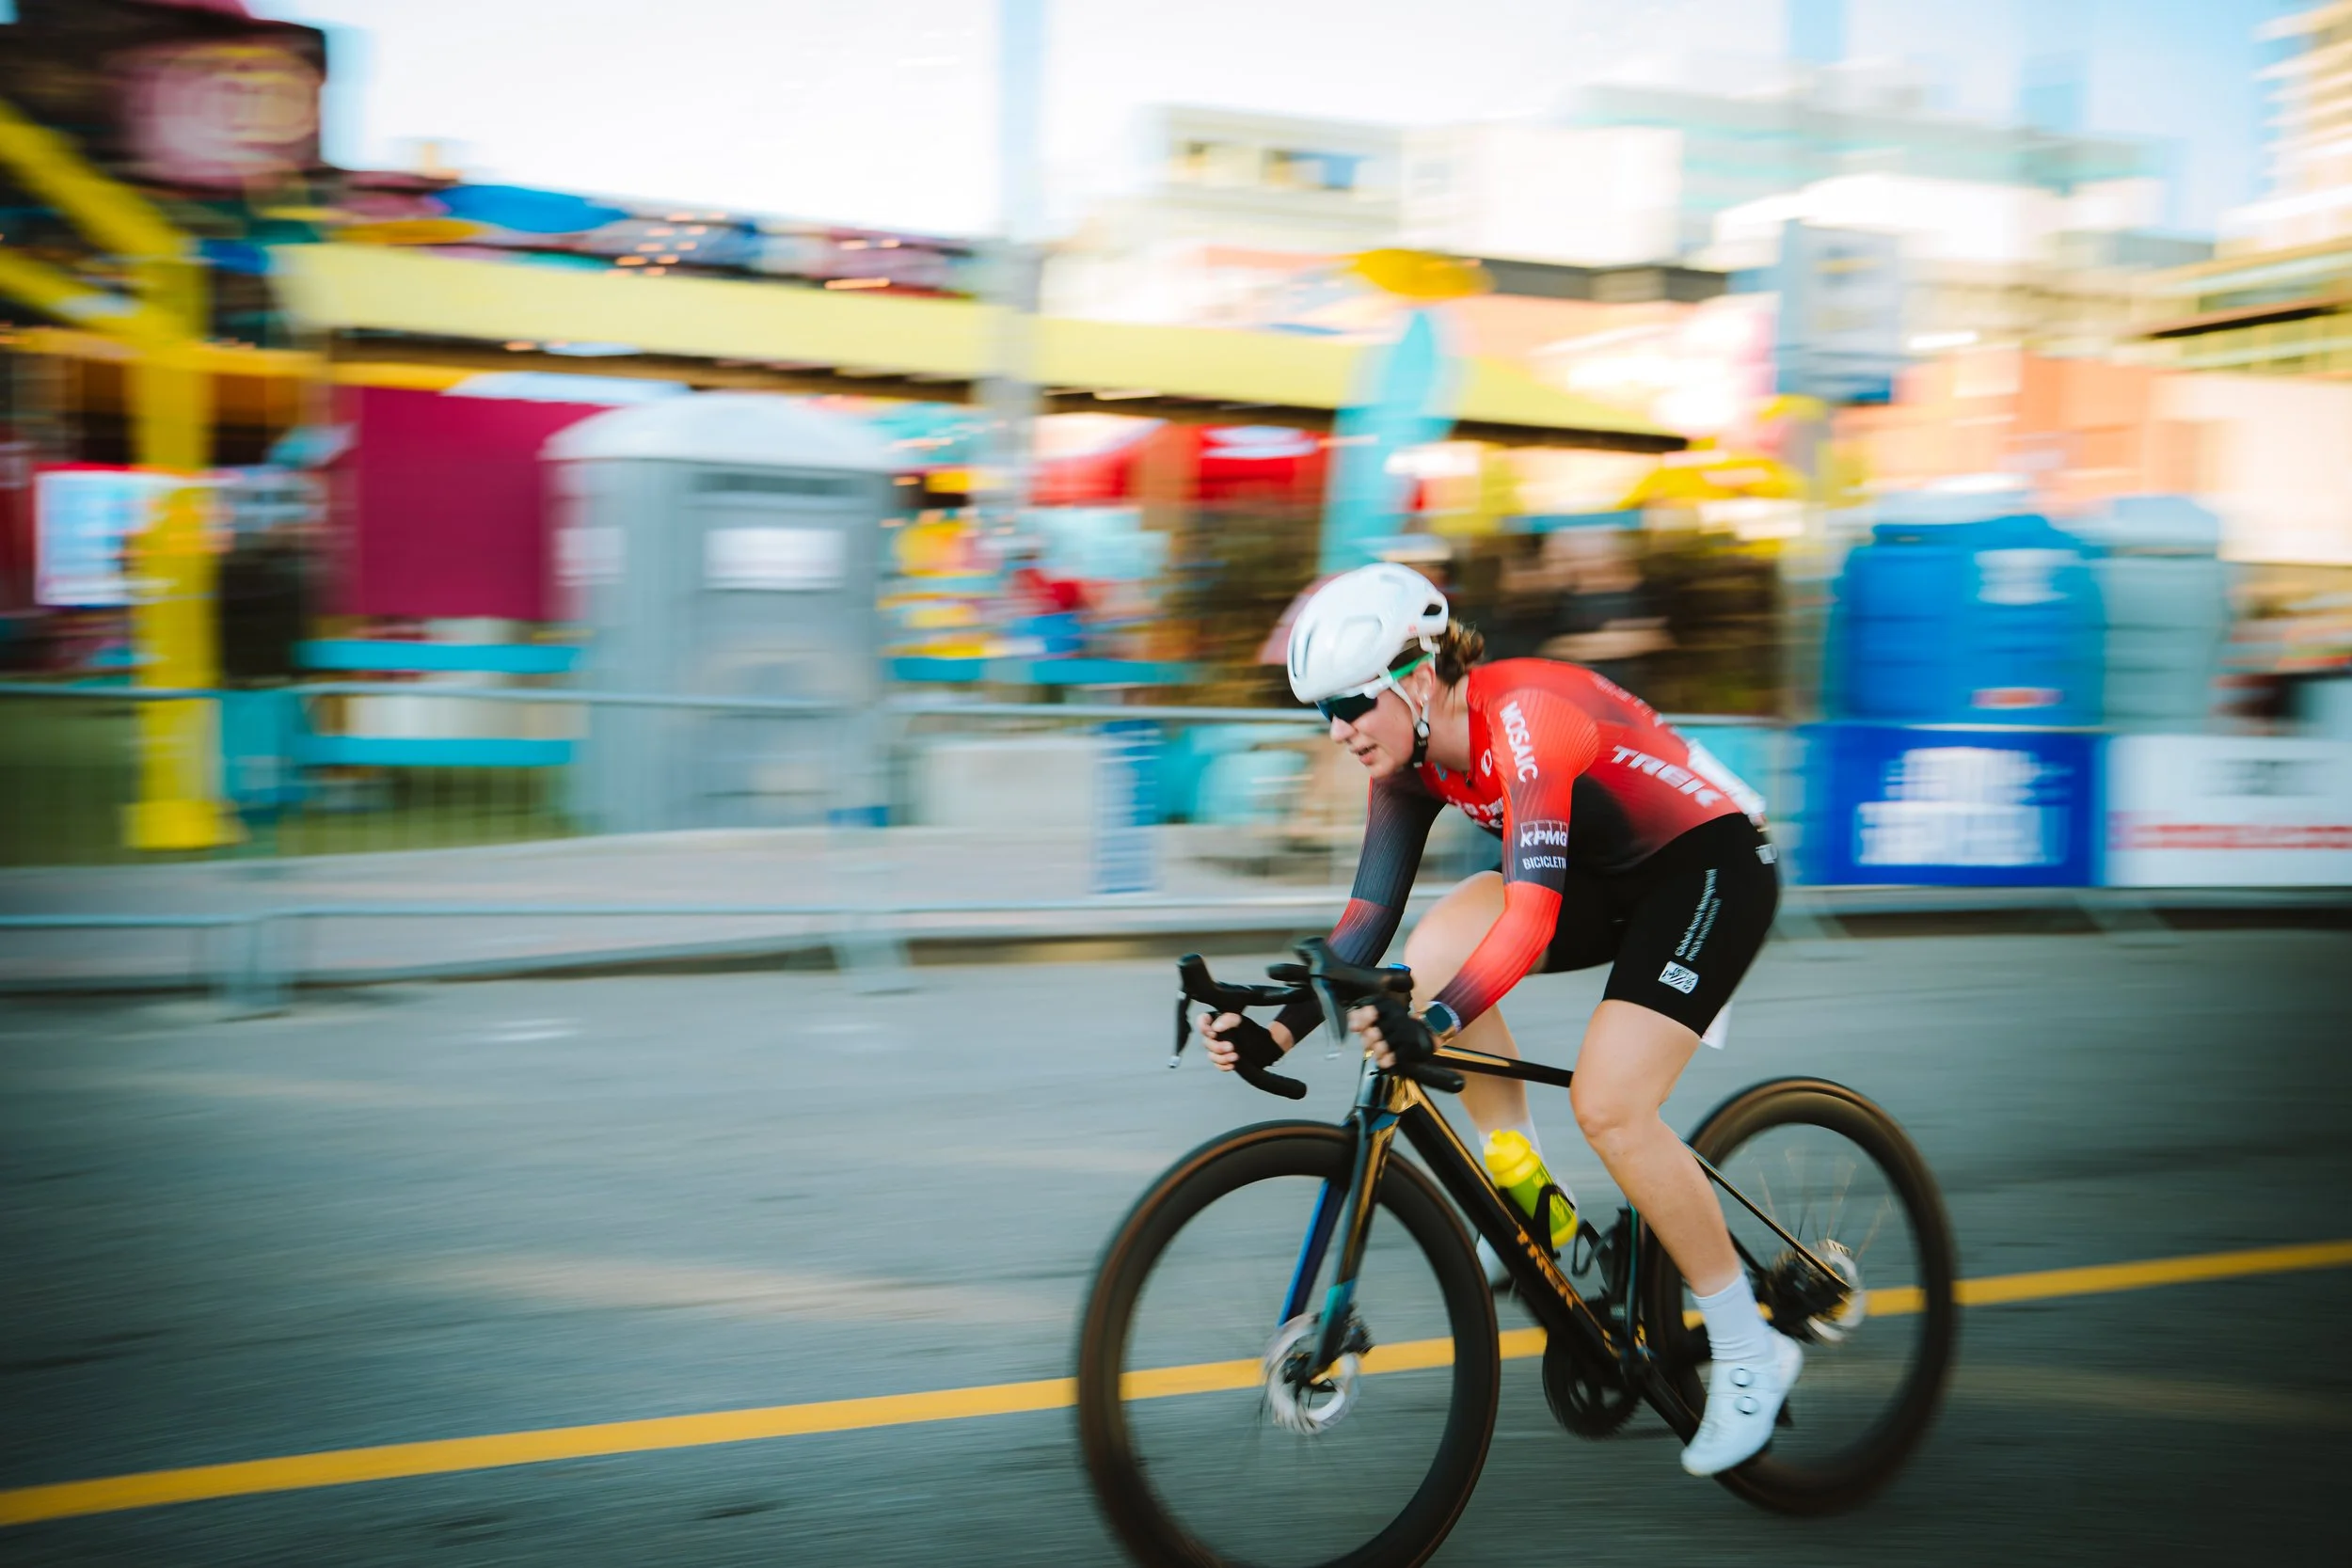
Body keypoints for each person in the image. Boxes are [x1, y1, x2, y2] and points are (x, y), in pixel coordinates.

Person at [1200, 562, 1794, 1479]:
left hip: (1708, 868)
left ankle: (1749, 1346)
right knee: (1435, 941)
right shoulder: (1403, 758)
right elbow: (1366, 919)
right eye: (1322, 712)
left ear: (1418, 673)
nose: (1340, 729)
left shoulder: (1525, 720)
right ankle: (1529, 1201)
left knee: (1611, 1105)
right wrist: (1272, 1029)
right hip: (1609, 876)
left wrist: (1431, 1024)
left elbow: (1532, 916)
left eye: (1351, 702)